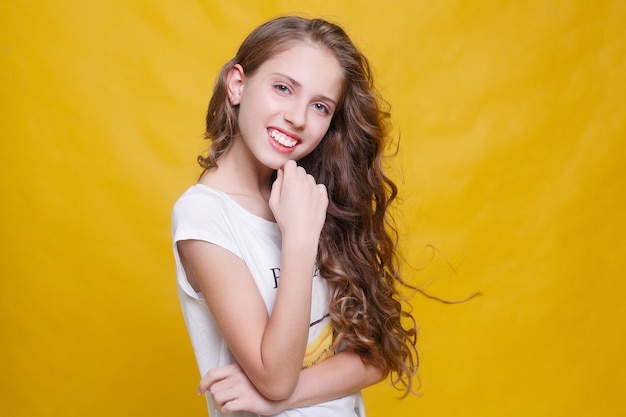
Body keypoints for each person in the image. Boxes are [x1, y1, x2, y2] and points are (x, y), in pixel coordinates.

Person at [172, 15, 418, 416]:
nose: (298, 117)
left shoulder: (309, 195)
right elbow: (275, 375)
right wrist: (300, 241)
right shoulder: (205, 216)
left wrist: (268, 402)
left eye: (320, 106)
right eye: (283, 88)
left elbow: (376, 354)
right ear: (238, 84)